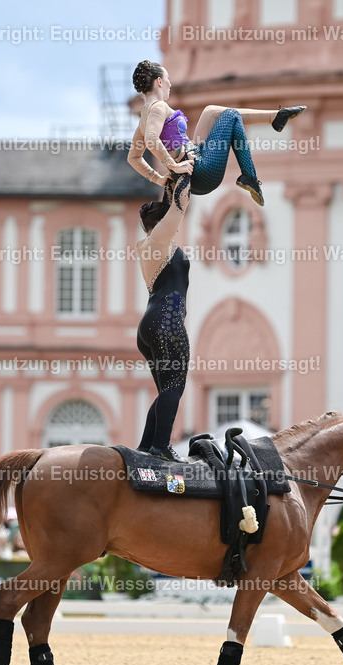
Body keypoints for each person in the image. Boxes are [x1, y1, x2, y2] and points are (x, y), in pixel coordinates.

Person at [127, 59, 306, 211]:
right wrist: (172, 165)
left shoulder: (145, 115)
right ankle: (249, 176)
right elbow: (151, 139)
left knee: (211, 112)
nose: (170, 84)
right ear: (159, 81)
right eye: (168, 78)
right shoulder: (158, 107)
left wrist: (158, 179)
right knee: (231, 115)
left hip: (192, 167)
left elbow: (133, 157)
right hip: (200, 171)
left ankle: (275, 117)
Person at [134, 176, 194, 460]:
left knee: (165, 391)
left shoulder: (149, 244)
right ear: (162, 223)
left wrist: (171, 178)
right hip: (167, 322)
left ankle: (146, 447)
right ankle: (160, 446)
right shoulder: (160, 240)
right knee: (174, 388)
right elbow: (180, 203)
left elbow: (172, 201)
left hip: (148, 325)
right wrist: (187, 170)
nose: (177, 225)